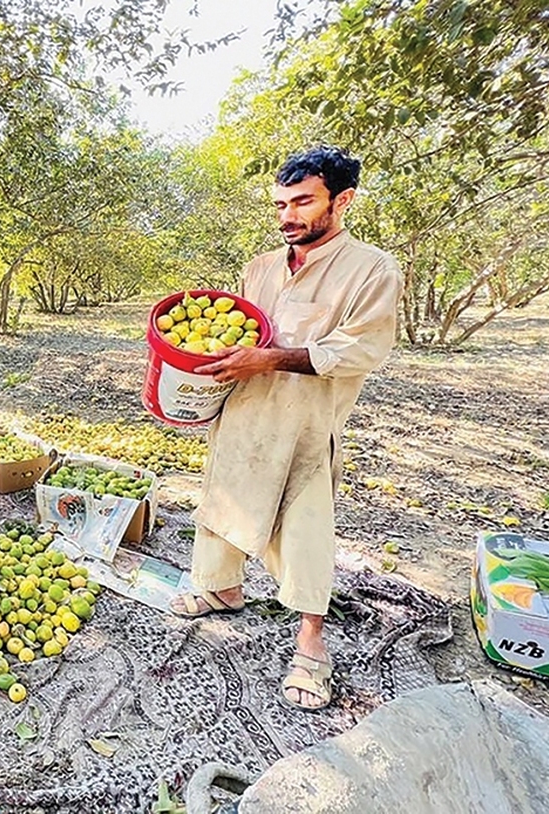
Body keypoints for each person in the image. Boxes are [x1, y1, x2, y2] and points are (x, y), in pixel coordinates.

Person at [169, 146, 402, 712]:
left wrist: (268, 359)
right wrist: (200, 370)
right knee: (222, 502)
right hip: (245, 410)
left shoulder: (372, 269)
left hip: (305, 424)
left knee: (304, 528)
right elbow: (239, 331)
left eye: (302, 202)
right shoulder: (260, 267)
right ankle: (221, 588)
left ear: (341, 200)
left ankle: (310, 643)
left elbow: (360, 350)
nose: (287, 216)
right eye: (280, 204)